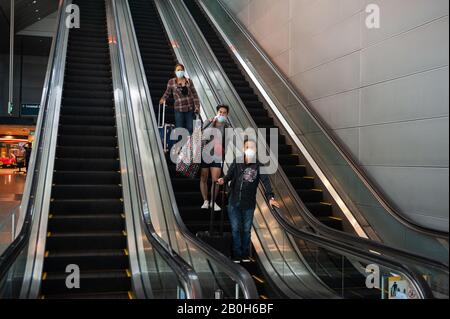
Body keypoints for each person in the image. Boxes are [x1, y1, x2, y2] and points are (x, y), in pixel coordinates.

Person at [218, 138, 280, 263]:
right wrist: (223, 180)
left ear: (256, 150)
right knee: (235, 229)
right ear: (243, 149)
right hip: (233, 202)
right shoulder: (237, 162)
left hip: (249, 204)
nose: (250, 150)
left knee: (246, 230)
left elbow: (266, 182)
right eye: (248, 147)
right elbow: (229, 175)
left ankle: (245, 254)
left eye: (253, 147)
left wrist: (270, 198)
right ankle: (237, 254)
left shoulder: (259, 166)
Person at [200, 105, 231, 211]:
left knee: (216, 179)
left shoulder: (227, 127)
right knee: (204, 177)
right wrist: (211, 122)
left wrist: (223, 155)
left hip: (217, 156)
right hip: (205, 153)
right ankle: (205, 201)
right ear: (217, 112)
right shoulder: (208, 121)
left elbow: (226, 144)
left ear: (227, 115)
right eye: (220, 112)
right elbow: (204, 135)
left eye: (224, 113)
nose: (221, 114)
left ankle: (213, 201)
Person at [159, 63, 200, 135]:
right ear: (175, 71)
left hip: (189, 108)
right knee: (179, 128)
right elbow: (167, 92)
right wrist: (163, 98)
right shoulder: (171, 82)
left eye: (181, 70)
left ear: (184, 71)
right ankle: (180, 145)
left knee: (190, 127)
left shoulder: (189, 81)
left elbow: (194, 94)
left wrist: (197, 106)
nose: (180, 71)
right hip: (179, 108)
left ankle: (188, 145)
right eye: (178, 70)